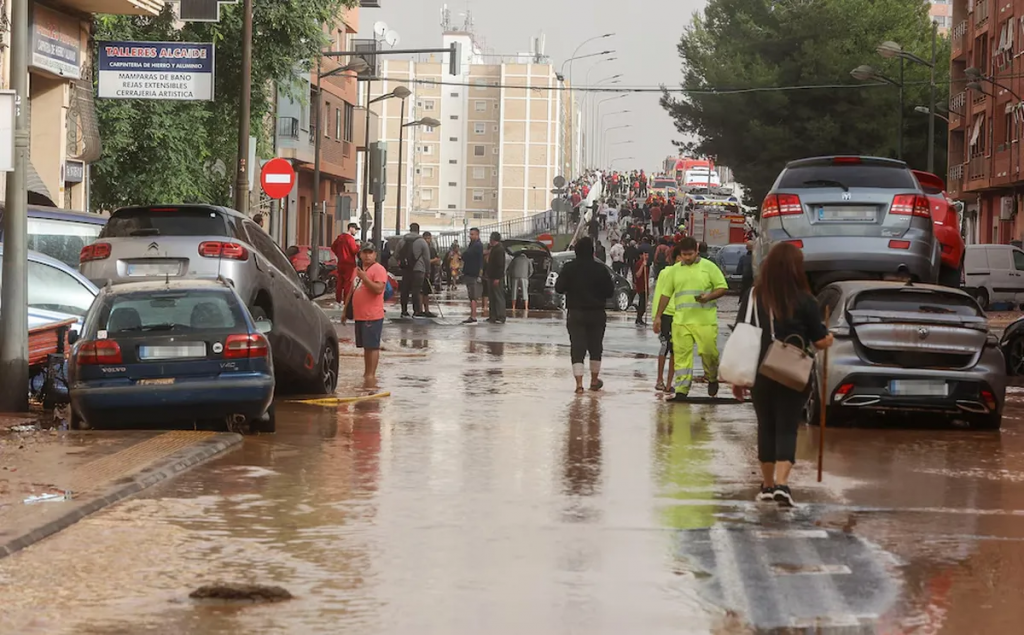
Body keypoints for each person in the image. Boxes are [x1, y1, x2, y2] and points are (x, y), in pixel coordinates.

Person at [733, 242, 833, 507]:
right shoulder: (806, 300)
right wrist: (828, 337)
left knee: (766, 426)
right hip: (793, 372)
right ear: (796, 269)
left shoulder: (754, 296)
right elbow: (820, 342)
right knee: (787, 427)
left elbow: (741, 332)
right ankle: (782, 484)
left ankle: (766, 486)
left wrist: (737, 378)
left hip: (759, 371)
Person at [653, 236, 729, 403]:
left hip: (705, 321)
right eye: (684, 254)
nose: (687, 258)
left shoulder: (709, 267)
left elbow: (722, 287)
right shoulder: (675, 271)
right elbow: (665, 295)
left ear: (696, 251)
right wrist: (658, 316)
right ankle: (682, 389)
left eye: (690, 254)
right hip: (681, 322)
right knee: (681, 357)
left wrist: (709, 297)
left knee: (708, 352)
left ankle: (712, 377)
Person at [554, 237, 614, 393]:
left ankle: (579, 385)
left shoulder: (569, 268)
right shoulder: (601, 269)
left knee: (577, 348)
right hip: (597, 313)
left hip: (576, 313)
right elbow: (610, 291)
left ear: (576, 251)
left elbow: (559, 288)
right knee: (595, 348)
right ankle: (594, 381)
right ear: (592, 252)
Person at [345, 243, 388, 385]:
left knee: (372, 346)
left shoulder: (379, 269)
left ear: (375, 254)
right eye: (365, 253)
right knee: (366, 346)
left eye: (371, 253)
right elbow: (351, 291)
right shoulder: (356, 270)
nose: (368, 255)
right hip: (360, 315)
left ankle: (371, 375)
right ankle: (367, 372)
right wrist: (345, 310)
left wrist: (364, 278)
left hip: (373, 315)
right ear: (360, 255)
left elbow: (378, 289)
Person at [652, 245, 682, 393]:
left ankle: (670, 383)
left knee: (675, 350)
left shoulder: (688, 273)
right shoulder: (666, 273)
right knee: (665, 346)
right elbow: (658, 294)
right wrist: (655, 316)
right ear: (676, 258)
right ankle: (659, 380)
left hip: (681, 316)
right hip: (666, 315)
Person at [395, 223, 432, 318]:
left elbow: (396, 254)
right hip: (418, 269)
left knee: (405, 291)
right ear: (418, 230)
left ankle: (404, 311)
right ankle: (417, 311)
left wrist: (401, 264)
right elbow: (427, 258)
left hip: (406, 269)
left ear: (410, 229)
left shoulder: (402, 240)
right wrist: (427, 271)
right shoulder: (422, 242)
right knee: (416, 290)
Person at [331, 223, 360, 304]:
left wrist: (339, 254)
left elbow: (333, 247)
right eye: (355, 229)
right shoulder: (350, 239)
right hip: (349, 264)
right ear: (350, 228)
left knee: (340, 282)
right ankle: (346, 301)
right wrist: (358, 246)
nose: (356, 231)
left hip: (340, 263)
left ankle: (338, 300)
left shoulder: (340, 238)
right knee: (348, 283)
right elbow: (354, 251)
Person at [461, 228, 485, 324]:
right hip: (470, 273)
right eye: (470, 234)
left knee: (473, 296)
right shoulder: (473, 245)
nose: (470, 236)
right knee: (471, 296)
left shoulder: (477, 246)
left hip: (473, 274)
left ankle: (473, 316)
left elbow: (466, 255)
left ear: (477, 235)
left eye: (472, 234)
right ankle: (472, 315)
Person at [486, 232, 507, 324]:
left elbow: (500, 265)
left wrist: (497, 278)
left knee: (498, 297)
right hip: (492, 276)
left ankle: (501, 316)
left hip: (496, 277)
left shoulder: (499, 250)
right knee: (492, 297)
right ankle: (493, 316)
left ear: (493, 239)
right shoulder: (495, 249)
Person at [421, 232, 442, 316]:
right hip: (423, 272)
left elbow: (438, 261)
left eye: (428, 238)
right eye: (425, 239)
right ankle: (422, 310)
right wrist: (433, 261)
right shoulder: (422, 249)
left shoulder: (432, 249)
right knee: (422, 292)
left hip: (431, 272)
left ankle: (426, 309)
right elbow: (424, 261)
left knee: (427, 292)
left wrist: (436, 261)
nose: (427, 240)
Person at [633, 250, 650, 327]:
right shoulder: (639, 264)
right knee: (642, 304)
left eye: (647, 255)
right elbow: (637, 275)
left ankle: (639, 318)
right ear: (641, 256)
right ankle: (639, 318)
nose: (646, 257)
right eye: (645, 255)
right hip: (641, 287)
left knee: (644, 304)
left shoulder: (647, 264)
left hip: (645, 287)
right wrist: (642, 266)